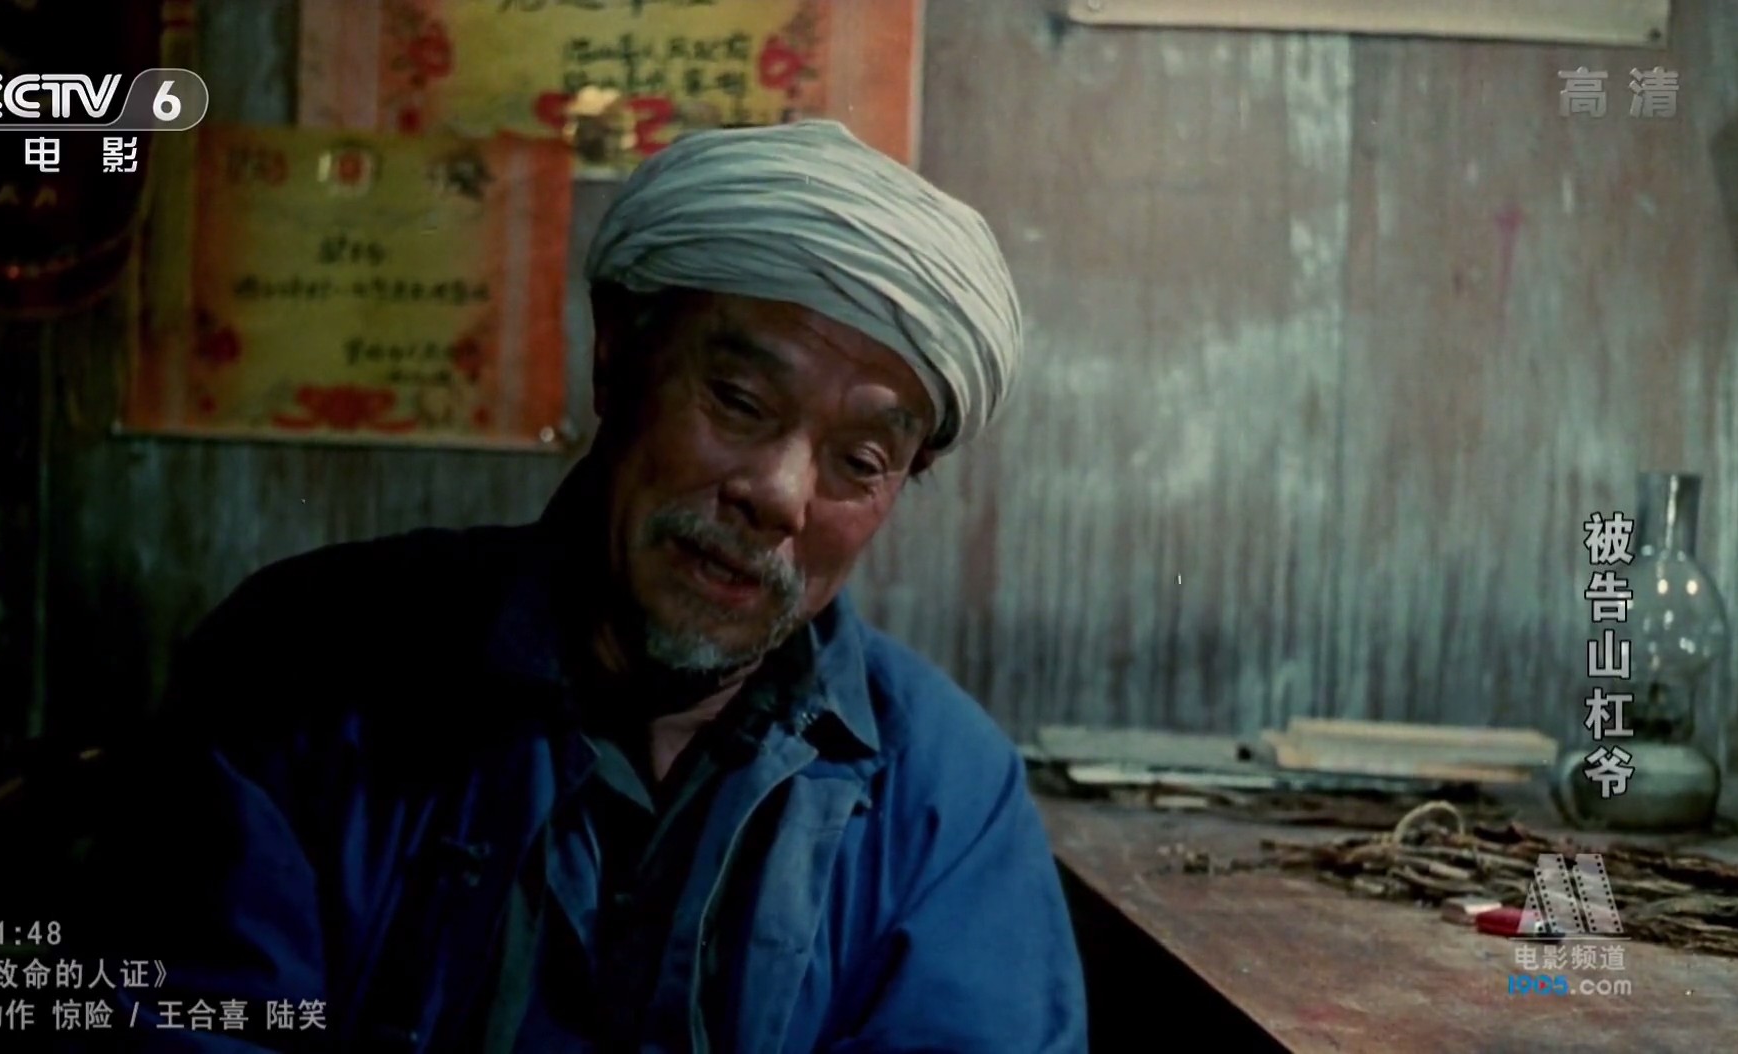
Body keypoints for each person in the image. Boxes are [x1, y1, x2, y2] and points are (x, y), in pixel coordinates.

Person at [88, 120, 1087, 1053]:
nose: (780, 495)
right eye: (739, 401)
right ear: (616, 357)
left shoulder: (946, 796)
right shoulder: (299, 667)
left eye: (860, 461)